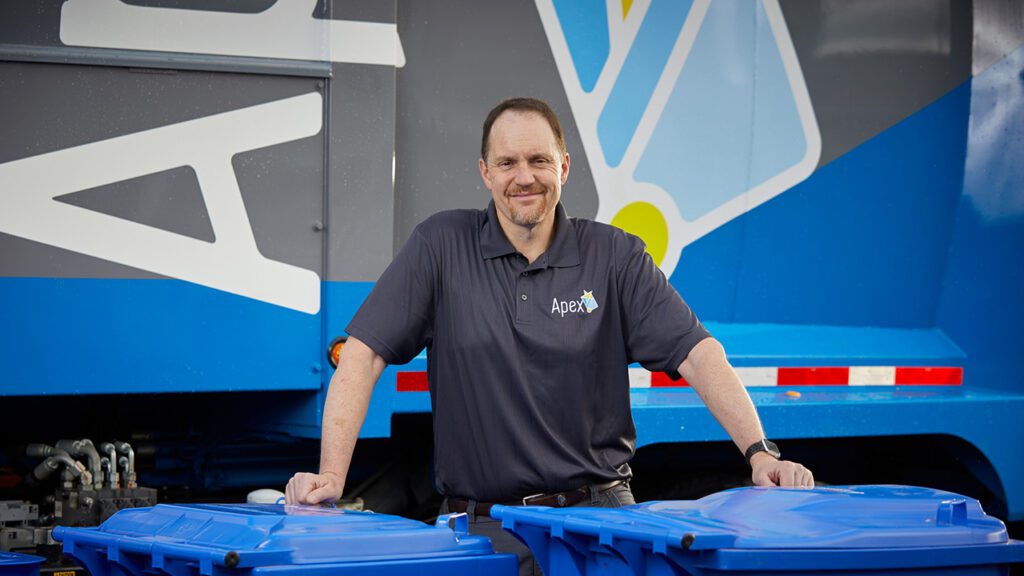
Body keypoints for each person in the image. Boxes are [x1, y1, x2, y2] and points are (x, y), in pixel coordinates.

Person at [287, 97, 813, 574]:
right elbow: (363, 356)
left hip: (601, 530)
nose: (525, 177)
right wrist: (332, 475)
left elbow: (698, 354)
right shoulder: (440, 247)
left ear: (564, 167)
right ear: (485, 173)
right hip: (481, 534)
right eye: (507, 163)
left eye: (539, 161)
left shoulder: (615, 256)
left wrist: (760, 452)